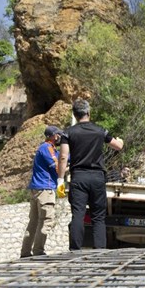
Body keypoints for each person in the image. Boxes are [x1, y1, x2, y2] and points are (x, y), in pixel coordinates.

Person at [59, 99, 124, 250]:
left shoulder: (68, 133)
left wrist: (60, 180)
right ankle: (99, 250)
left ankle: (75, 250)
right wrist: (120, 140)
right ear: (88, 112)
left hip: (78, 177)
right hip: (97, 177)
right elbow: (118, 146)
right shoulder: (100, 130)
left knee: (78, 214)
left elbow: (63, 157)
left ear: (75, 115)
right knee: (98, 216)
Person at [20, 125, 63, 257]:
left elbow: (62, 158)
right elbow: (56, 168)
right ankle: (38, 251)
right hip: (45, 189)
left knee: (33, 222)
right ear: (54, 136)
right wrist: (65, 170)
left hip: (36, 188)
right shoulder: (47, 148)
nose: (60, 137)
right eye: (59, 135)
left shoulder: (47, 149)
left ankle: (25, 252)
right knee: (46, 220)